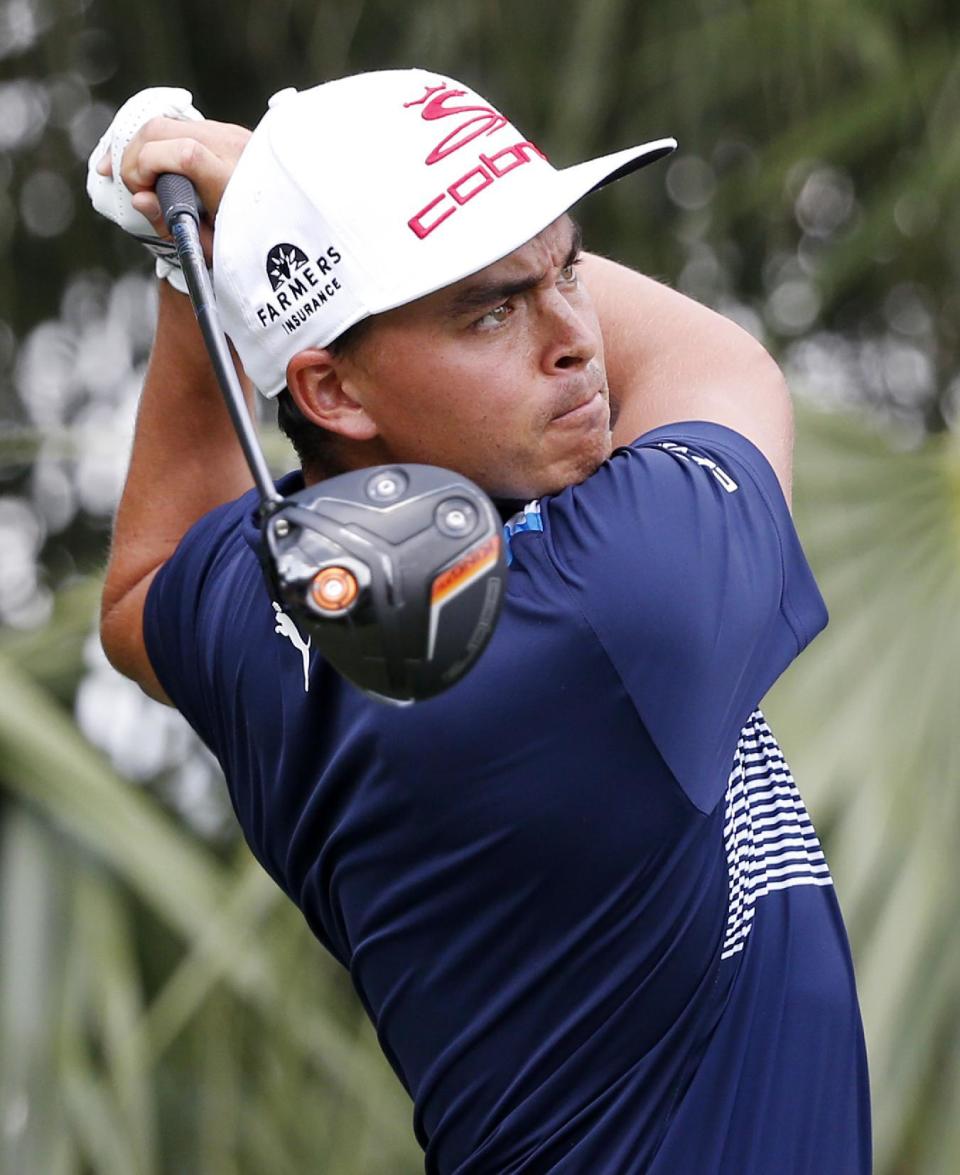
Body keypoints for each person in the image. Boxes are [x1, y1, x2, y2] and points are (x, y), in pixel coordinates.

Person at [89, 72, 870, 1173]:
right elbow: (716, 362)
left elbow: (143, 584)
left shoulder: (284, 600)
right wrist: (259, 198)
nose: (575, 340)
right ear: (334, 394)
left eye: (572, 266)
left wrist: (208, 258)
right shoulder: (616, 599)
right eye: (492, 308)